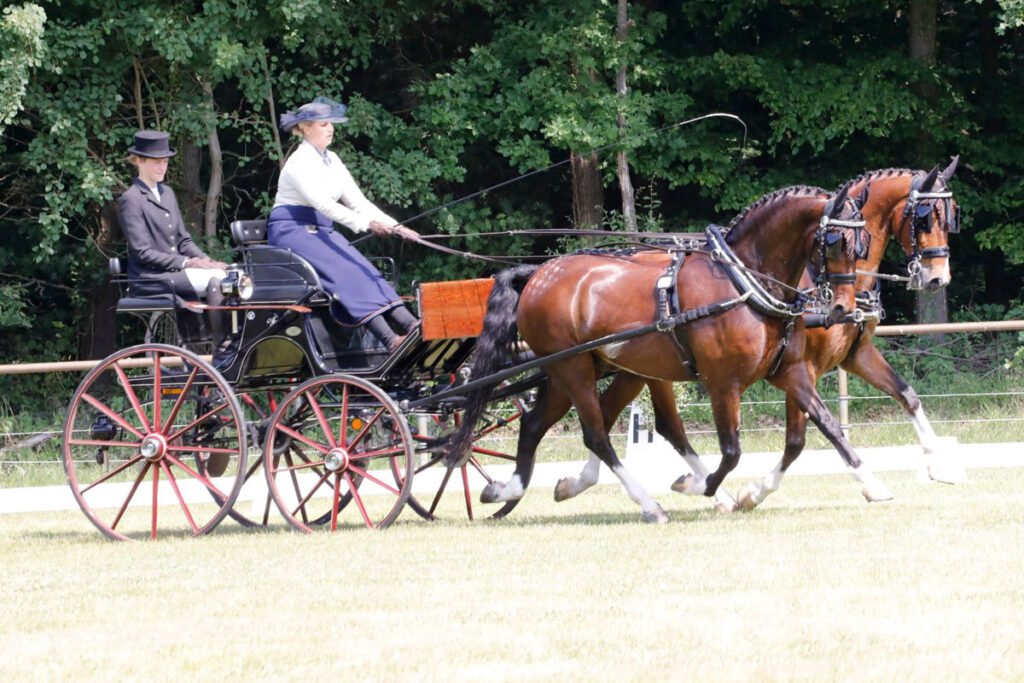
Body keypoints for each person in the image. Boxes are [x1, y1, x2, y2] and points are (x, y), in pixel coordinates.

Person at [268, 97, 419, 352]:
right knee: (347, 272)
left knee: (365, 268)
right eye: (324, 124)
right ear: (305, 128)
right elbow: (325, 206)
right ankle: (389, 339)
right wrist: (368, 224)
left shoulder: (333, 159)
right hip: (291, 232)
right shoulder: (297, 163)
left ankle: (411, 325)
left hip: (320, 231)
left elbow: (358, 202)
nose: (331, 129)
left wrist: (396, 226)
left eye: (332, 124)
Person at [117, 130, 231, 355]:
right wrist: (187, 263)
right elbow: (142, 252)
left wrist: (205, 260)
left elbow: (183, 239)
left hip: (173, 273)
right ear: (139, 161)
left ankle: (232, 340)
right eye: (156, 162)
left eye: (165, 162)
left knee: (228, 276)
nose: (162, 167)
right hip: (149, 277)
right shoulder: (131, 199)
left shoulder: (167, 193)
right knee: (217, 280)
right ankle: (223, 347)